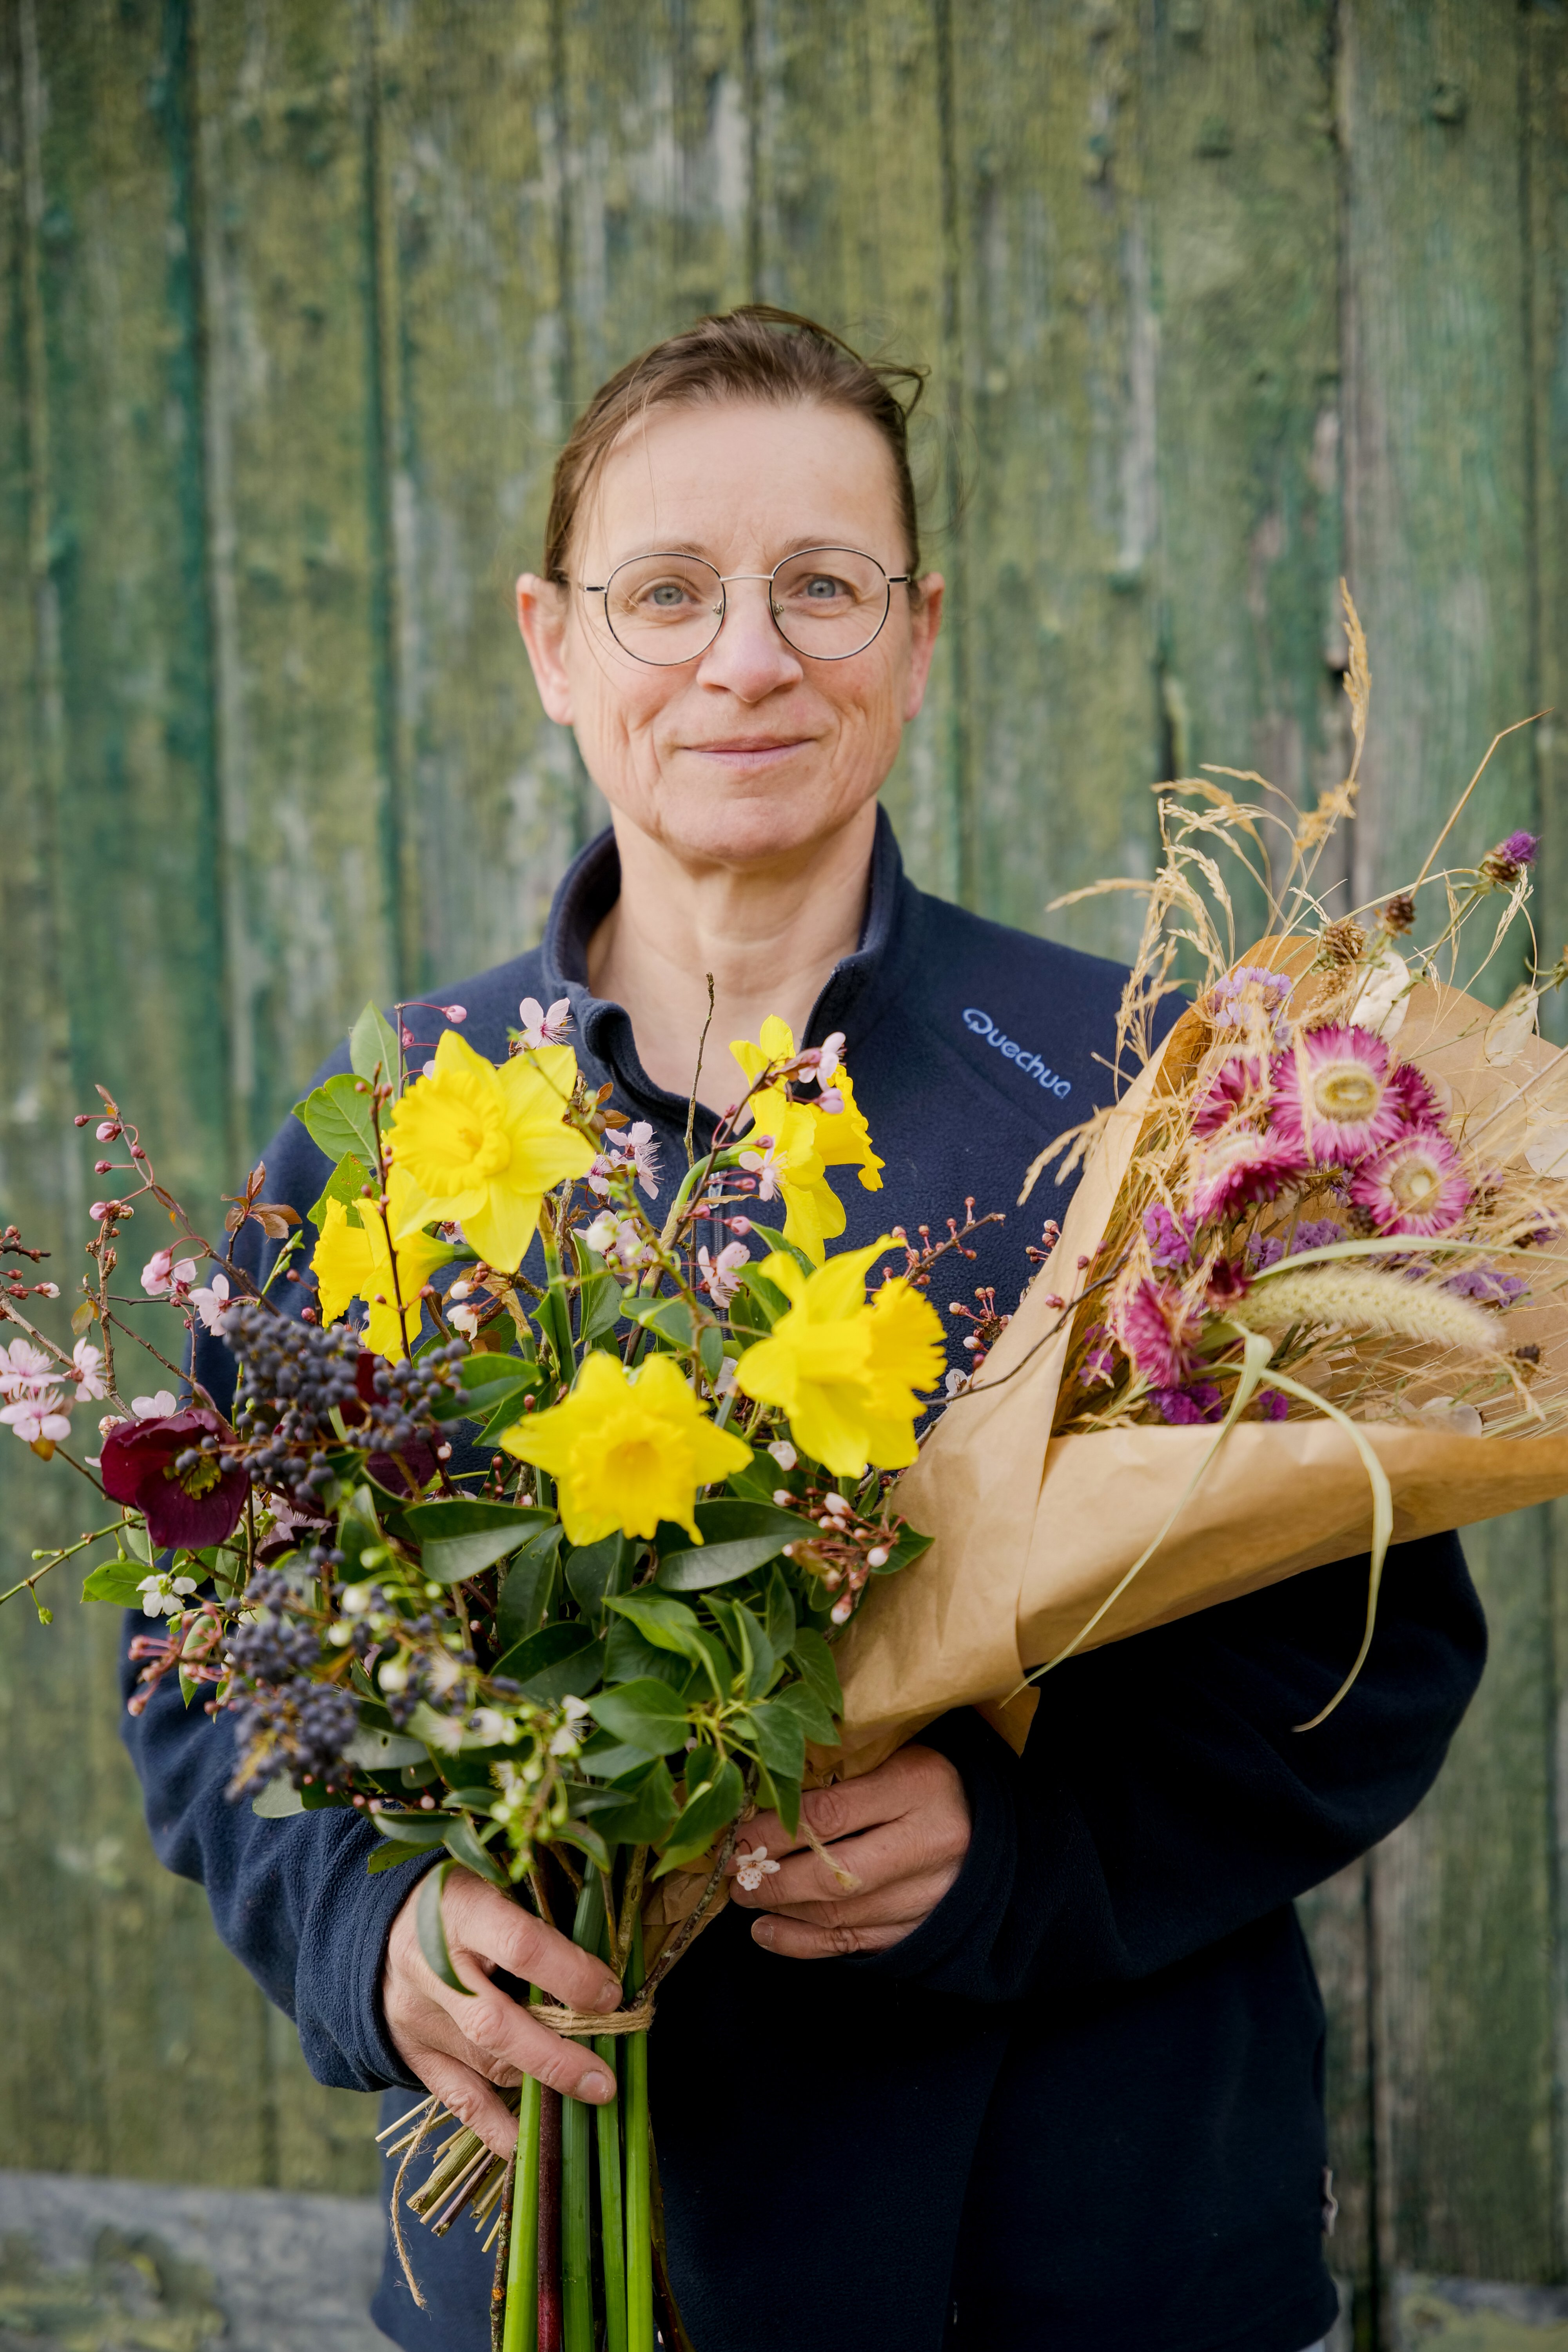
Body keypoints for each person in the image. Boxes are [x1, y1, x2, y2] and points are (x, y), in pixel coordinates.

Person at [125, 308, 1484, 2352]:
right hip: (580, 2268)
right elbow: (205, 1650)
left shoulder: (1148, 1109)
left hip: (1078, 2259)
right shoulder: (396, 1130)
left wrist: (1024, 1852)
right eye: (664, 593)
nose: (744, 658)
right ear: (549, 643)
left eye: (819, 589)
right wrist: (371, 1932)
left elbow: (1374, 1661)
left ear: (918, 636)